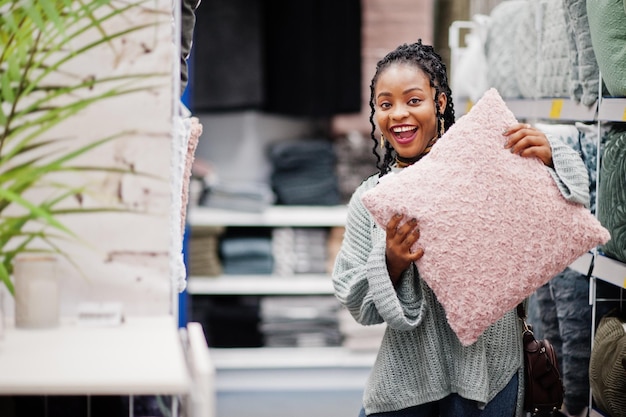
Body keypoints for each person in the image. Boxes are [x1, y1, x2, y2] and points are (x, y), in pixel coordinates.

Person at [331, 39, 591, 417]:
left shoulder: (482, 169)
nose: (398, 114)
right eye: (385, 104)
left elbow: (571, 203)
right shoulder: (372, 200)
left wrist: (553, 155)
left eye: (413, 100)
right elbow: (357, 303)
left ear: (439, 103)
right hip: (408, 385)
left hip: (494, 373)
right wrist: (391, 262)